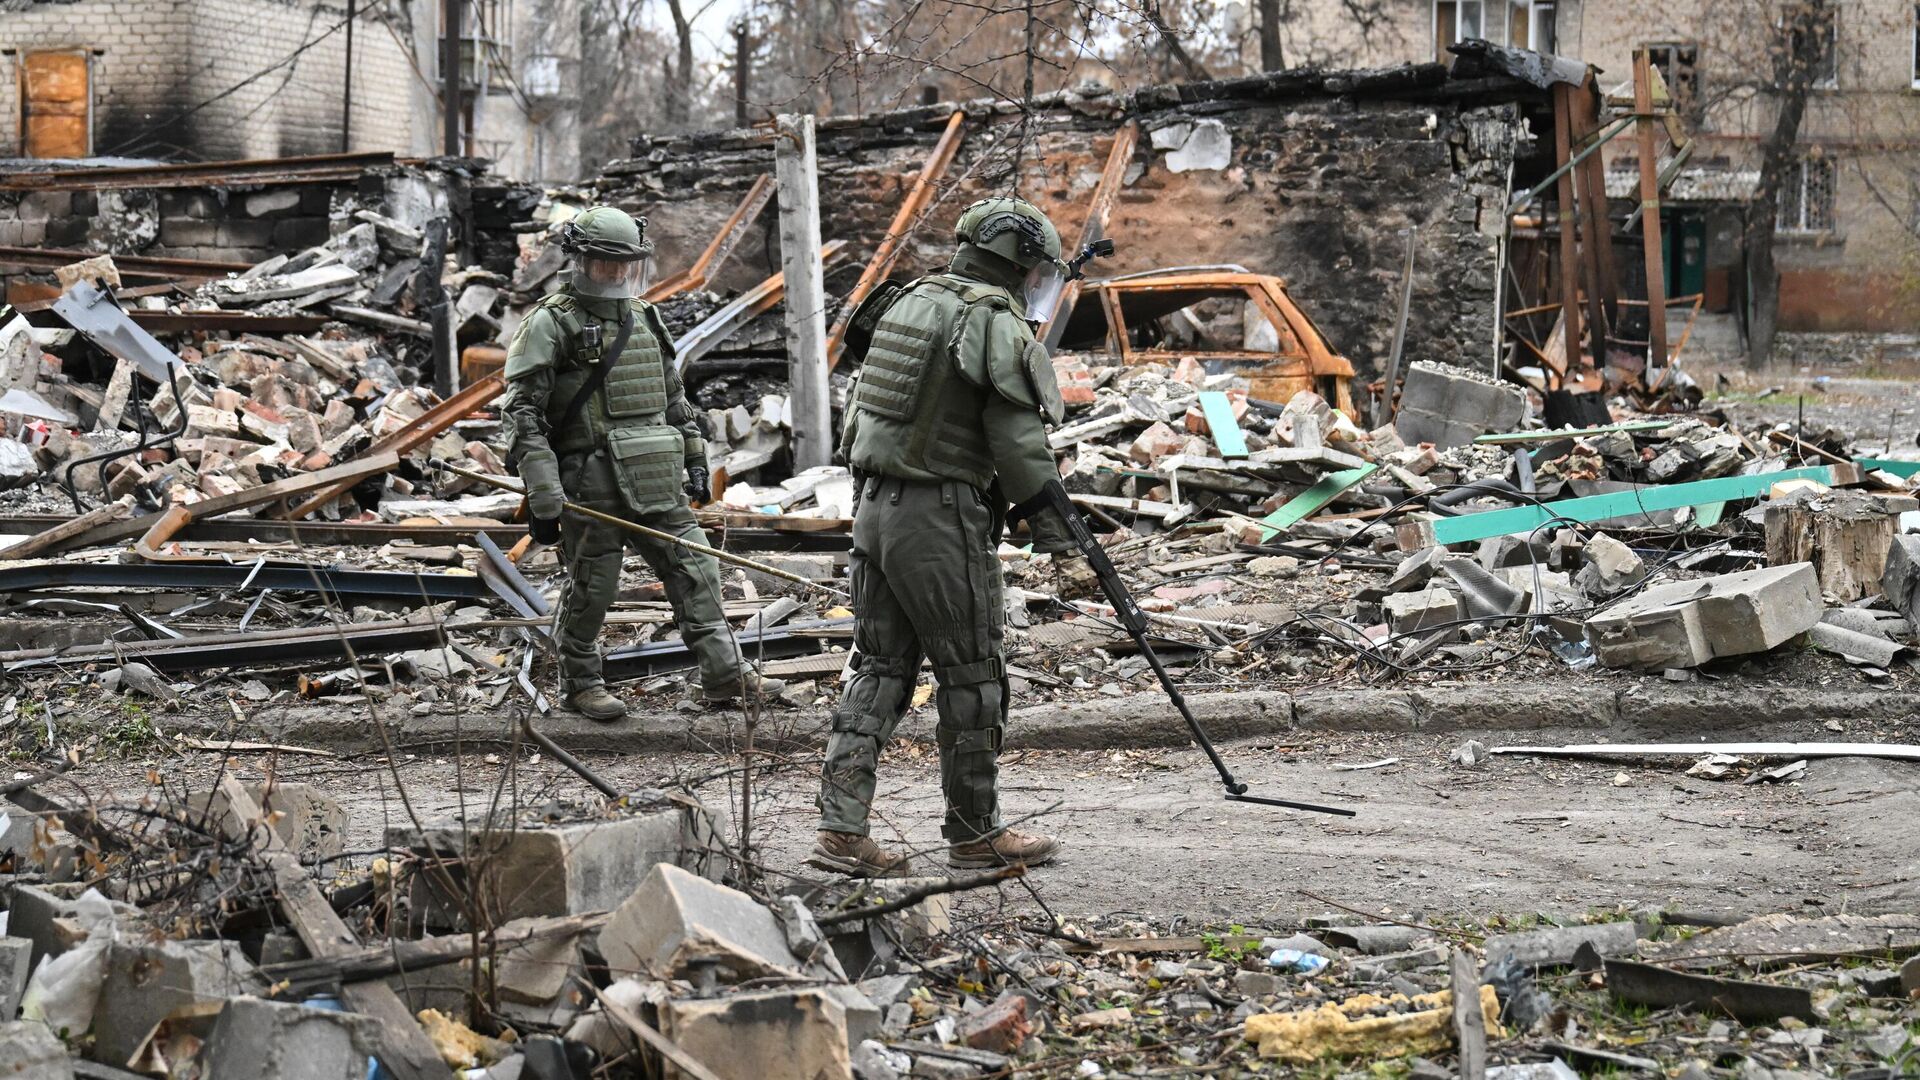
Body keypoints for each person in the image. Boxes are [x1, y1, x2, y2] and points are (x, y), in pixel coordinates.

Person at [810, 196, 1098, 878]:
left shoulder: (906, 301)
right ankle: (974, 834)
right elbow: (1020, 446)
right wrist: (1064, 540)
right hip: (938, 518)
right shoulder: (991, 321)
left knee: (879, 669)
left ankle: (841, 832)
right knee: (973, 675)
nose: (1038, 288)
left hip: (875, 508)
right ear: (1018, 264)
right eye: (1038, 274)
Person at [501, 206, 779, 721]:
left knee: (696, 569)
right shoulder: (548, 323)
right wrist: (543, 491)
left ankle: (724, 674)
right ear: (579, 259)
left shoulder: (644, 317)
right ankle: (581, 681)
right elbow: (521, 413)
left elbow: (673, 397)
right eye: (605, 263)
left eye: (624, 263)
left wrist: (697, 456)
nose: (615, 274)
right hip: (590, 482)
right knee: (593, 587)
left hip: (656, 476)